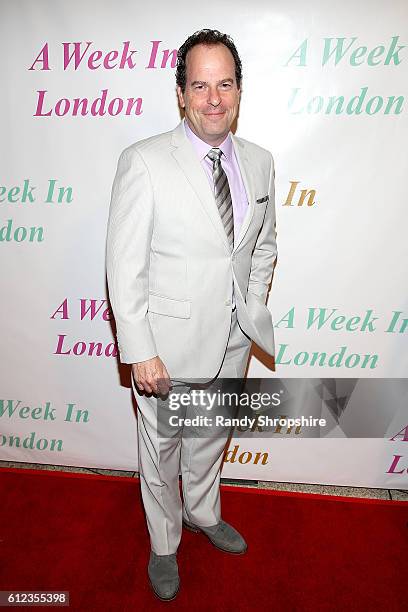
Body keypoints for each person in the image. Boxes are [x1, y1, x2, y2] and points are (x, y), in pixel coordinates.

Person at [106, 28, 278, 601]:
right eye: (199, 85)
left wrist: (250, 307)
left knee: (209, 440)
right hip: (168, 346)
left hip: (233, 341)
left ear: (238, 90)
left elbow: (263, 245)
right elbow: (123, 265)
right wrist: (139, 349)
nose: (213, 98)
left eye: (224, 84)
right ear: (180, 93)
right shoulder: (146, 161)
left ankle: (204, 513)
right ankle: (163, 543)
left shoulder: (259, 162)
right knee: (161, 452)